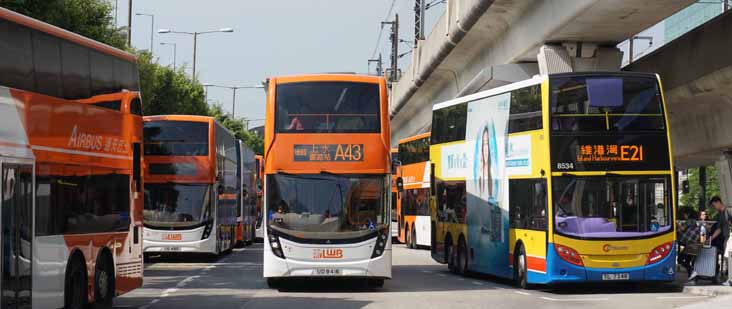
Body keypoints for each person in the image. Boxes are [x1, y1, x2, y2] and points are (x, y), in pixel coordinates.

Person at [708, 196, 732, 285]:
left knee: (728, 258)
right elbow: (719, 229)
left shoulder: (728, 211)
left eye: (714, 206)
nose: (714, 208)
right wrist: (711, 238)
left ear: (718, 202)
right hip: (727, 238)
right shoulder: (721, 214)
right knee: (727, 258)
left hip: (730, 238)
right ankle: (730, 279)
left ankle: (730, 280)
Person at [679, 210, 701, 280]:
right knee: (689, 261)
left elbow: (683, 229)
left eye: (684, 214)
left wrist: (678, 225)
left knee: (680, 259)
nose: (684, 216)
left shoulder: (689, 221)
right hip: (695, 244)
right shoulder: (696, 222)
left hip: (689, 245)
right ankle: (692, 276)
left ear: (688, 214)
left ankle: (693, 272)